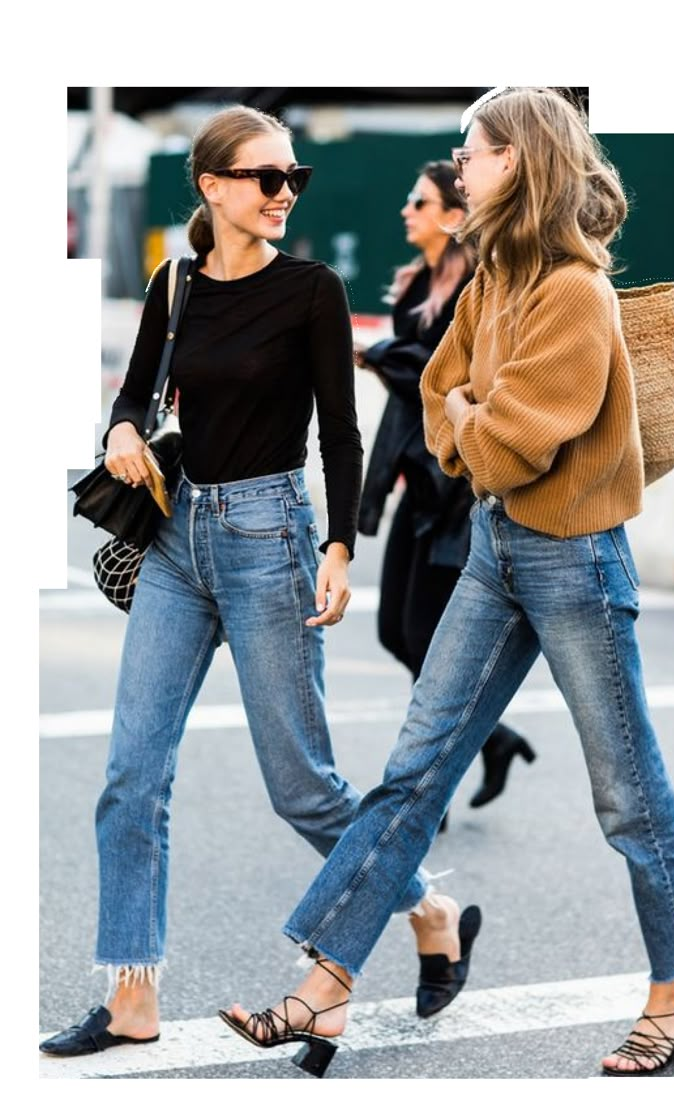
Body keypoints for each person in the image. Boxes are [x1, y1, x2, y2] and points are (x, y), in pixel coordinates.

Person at [219, 88, 674, 1078]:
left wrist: (463, 413)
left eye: (473, 149)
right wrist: (463, 411)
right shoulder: (491, 276)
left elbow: (501, 446)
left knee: (625, 792)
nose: (460, 161)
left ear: (517, 163)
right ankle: (325, 985)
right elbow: (441, 402)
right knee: (414, 770)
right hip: (495, 553)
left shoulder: (573, 294)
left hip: (576, 557)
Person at [41, 105, 458, 1060]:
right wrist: (119, 432)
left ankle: (428, 906)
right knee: (130, 776)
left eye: (292, 180)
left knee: (304, 789)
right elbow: (134, 393)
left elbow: (343, 432)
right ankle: (131, 995)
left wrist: (343, 549)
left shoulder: (311, 290)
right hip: (178, 540)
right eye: (267, 178)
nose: (283, 194)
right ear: (214, 186)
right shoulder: (175, 283)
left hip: (273, 537)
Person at [355, 160, 535, 830]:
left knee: (424, 634)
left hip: (456, 488)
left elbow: (441, 379)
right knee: (396, 631)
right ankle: (493, 740)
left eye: (418, 199)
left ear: (454, 216)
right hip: (419, 478)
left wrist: (377, 356)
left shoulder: (471, 292)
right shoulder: (420, 284)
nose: (407, 209)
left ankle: (428, 790)